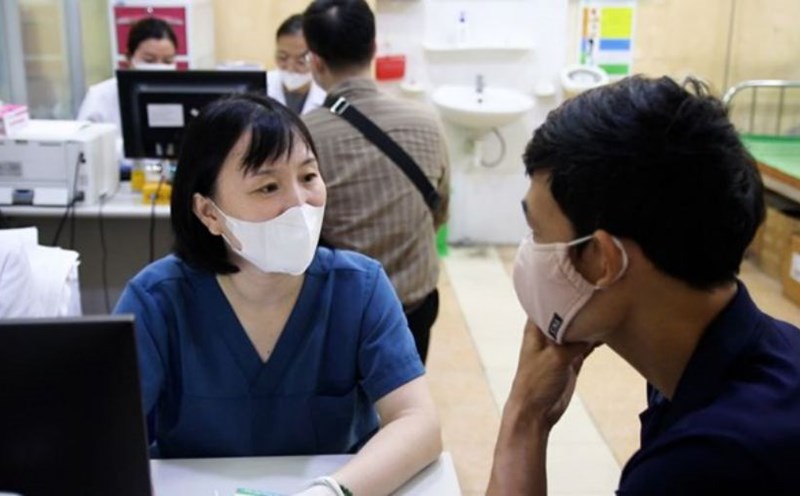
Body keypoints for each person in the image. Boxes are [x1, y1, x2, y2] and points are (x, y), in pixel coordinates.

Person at [113, 94, 441, 495]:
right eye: (268, 187)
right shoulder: (156, 302)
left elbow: (418, 421)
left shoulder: (359, 288)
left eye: (308, 177)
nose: (299, 205)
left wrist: (331, 492)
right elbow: (104, 439)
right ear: (209, 213)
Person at [488, 76, 800, 495]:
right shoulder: (763, 354)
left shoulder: (703, 465)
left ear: (603, 260)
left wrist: (524, 419)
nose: (530, 252)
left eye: (538, 233)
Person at [302, 0, 450, 363]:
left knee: (349, 411)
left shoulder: (303, 135)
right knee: (406, 399)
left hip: (344, 310)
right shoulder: (427, 123)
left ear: (316, 61)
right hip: (415, 303)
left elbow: (299, 230)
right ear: (373, 48)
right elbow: (440, 211)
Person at [77, 17, 177, 138]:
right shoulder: (100, 96)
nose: (159, 67)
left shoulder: (182, 92)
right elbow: (83, 146)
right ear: (129, 58)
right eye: (149, 60)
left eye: (167, 61)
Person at [267, 14, 326, 115]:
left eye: (301, 61)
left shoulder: (327, 94)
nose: (290, 68)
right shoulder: (262, 86)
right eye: (283, 57)